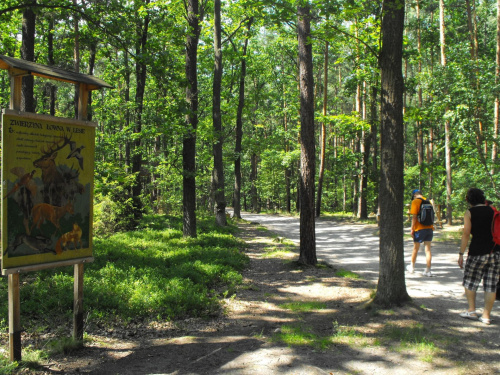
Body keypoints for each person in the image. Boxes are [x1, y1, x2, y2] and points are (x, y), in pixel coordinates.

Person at [458, 188, 500, 325]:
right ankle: (486, 316)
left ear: (469, 200)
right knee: (491, 284)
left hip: (477, 252)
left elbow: (466, 234)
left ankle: (471, 310)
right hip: (495, 252)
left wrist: (461, 254)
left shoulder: (470, 212)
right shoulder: (493, 210)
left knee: (470, 281)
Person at [407, 189, 434, 276]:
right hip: (429, 228)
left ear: (414, 195)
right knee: (428, 250)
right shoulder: (428, 201)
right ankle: (428, 270)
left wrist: (412, 228)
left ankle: (412, 267)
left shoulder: (415, 202)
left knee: (415, 249)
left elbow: (414, 217)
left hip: (419, 229)